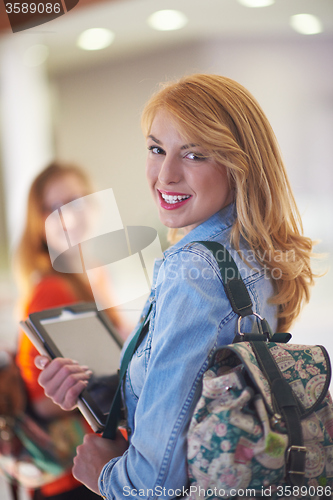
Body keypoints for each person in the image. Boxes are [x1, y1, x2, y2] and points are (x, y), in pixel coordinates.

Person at [34, 75, 314, 499]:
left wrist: (105, 473)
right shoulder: (254, 251)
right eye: (156, 149)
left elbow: (153, 484)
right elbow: (206, 398)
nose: (165, 175)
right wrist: (99, 394)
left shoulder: (192, 269)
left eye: (195, 155)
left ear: (239, 164)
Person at [14, 161, 126, 500]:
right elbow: (42, 402)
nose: (69, 217)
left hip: (102, 462)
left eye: (77, 202)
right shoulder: (52, 290)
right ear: (39, 221)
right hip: (73, 475)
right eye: (55, 208)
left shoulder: (97, 276)